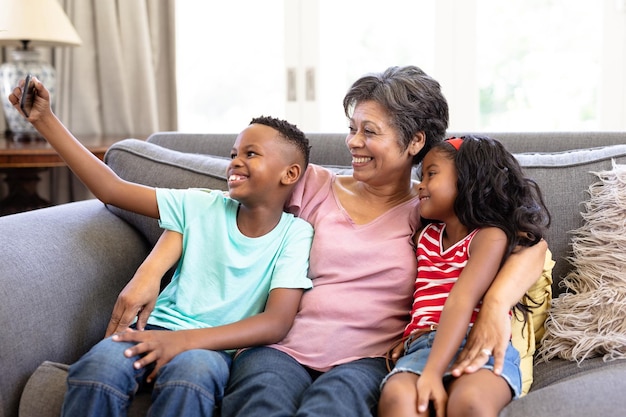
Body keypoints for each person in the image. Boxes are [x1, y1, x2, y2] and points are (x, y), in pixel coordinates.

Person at [219, 66, 548, 417]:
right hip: (280, 349)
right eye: (352, 129)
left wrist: (496, 305)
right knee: (261, 401)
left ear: (415, 142)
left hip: (368, 360)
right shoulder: (311, 183)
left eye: (369, 131)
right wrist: (154, 267)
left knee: (332, 407)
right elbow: (211, 208)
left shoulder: (429, 210)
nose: (353, 142)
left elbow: (531, 245)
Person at [9, 80, 314, 416]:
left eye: (250, 153)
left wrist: (182, 342)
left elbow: (276, 322)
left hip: (214, 348)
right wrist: (44, 120)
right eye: (233, 154)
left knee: (191, 378)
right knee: (99, 369)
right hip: (153, 328)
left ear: (290, 173)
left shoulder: (295, 234)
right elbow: (111, 189)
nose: (234, 162)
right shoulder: (201, 205)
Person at [377, 136, 550, 417]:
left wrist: (432, 373)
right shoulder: (425, 236)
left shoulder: (489, 236)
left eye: (431, 174)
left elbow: (462, 299)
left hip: (477, 343)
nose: (420, 185)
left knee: (469, 402)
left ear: (470, 179)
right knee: (398, 398)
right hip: (421, 346)